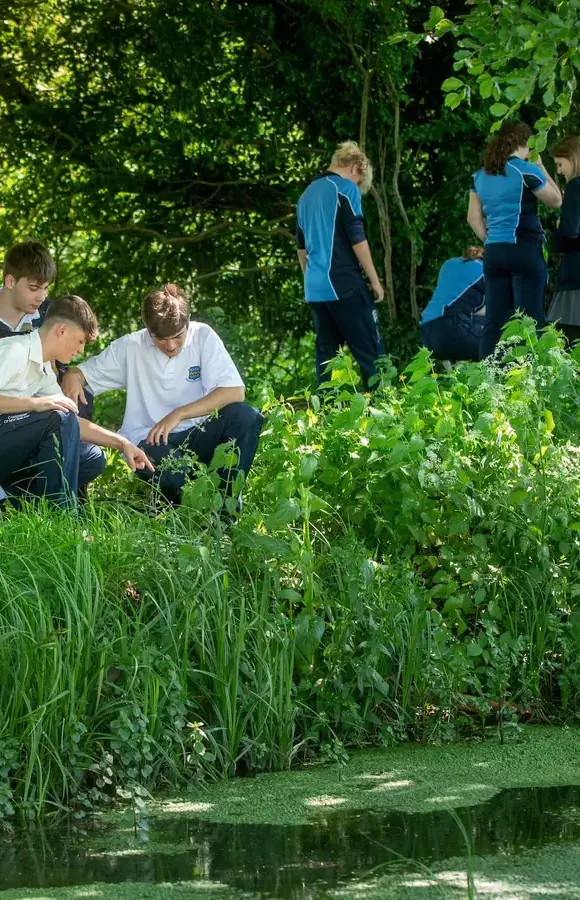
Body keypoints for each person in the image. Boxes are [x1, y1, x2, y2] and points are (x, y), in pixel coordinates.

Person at [61, 284, 264, 506]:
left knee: (247, 416)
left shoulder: (203, 336)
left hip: (201, 432)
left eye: (178, 336)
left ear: (188, 323)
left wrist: (179, 414)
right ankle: (173, 512)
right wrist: (73, 374)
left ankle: (227, 508)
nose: (170, 345)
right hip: (150, 439)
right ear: (148, 331)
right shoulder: (131, 346)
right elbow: (81, 373)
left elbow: (234, 391)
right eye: (161, 339)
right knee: (175, 475)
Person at [0, 295, 153, 506]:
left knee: (92, 459)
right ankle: (62, 514)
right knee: (55, 415)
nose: (81, 350)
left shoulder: (44, 368)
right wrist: (36, 404)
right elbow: (53, 414)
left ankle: (25, 504)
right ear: (61, 330)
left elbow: (69, 419)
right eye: (80, 341)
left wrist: (122, 443)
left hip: (11, 449)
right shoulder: (14, 351)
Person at [468, 121, 562, 358]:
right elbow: (556, 200)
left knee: (495, 322)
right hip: (525, 250)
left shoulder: (479, 176)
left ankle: (488, 383)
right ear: (527, 143)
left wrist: (491, 240)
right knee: (530, 322)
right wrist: (540, 165)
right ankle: (533, 383)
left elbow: (473, 218)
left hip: (495, 254)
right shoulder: (526, 169)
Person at [296, 140, 385, 389]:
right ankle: (386, 411)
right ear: (356, 167)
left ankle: (326, 414)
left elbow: (301, 249)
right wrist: (375, 281)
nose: (357, 186)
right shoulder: (345, 188)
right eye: (359, 182)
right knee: (372, 353)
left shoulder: (306, 195)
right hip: (343, 282)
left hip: (315, 289)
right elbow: (357, 238)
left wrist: (309, 279)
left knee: (327, 358)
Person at [420, 247, 486, 361]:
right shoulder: (486, 270)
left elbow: (463, 305)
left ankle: (459, 369)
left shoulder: (449, 264)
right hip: (452, 330)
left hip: (427, 336)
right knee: (511, 339)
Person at [547, 136, 580, 344]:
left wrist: (558, 230)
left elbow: (569, 233)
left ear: (573, 159)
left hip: (575, 282)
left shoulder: (576, 186)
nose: (559, 171)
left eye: (560, 164)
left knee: (566, 345)